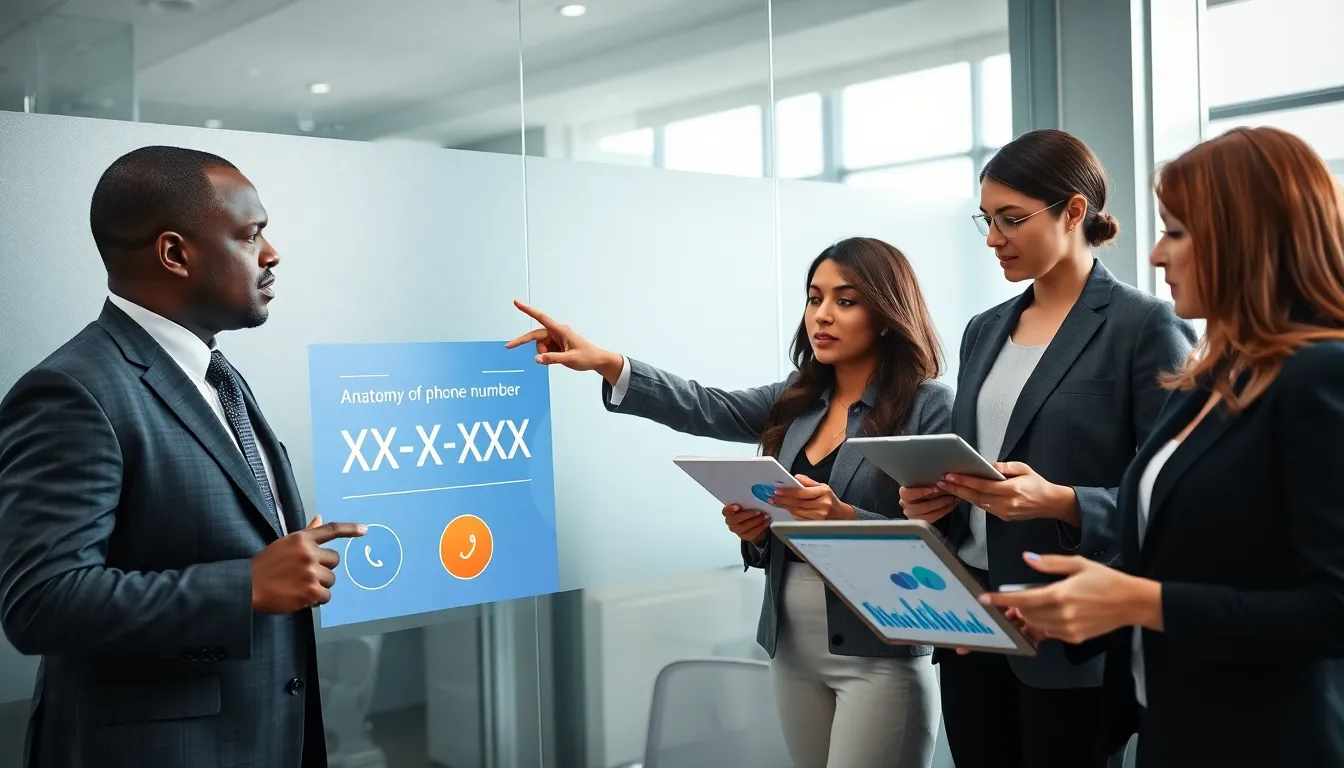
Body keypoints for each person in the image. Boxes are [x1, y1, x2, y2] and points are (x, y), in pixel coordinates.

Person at [507, 237, 951, 768]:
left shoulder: (928, 408)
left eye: (845, 301)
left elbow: (945, 547)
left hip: (880, 656)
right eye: (814, 299)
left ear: (886, 313)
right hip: (792, 651)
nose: (822, 316)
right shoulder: (799, 399)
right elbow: (704, 406)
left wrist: (844, 517)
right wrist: (607, 362)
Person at [983, 126, 1344, 766]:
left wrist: (1136, 600)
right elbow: (1181, 553)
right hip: (1170, 725)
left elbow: (1332, 608)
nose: (1154, 254)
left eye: (1176, 232)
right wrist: (1078, 603)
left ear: (1251, 239)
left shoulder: (1320, 377)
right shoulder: (1205, 382)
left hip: (1271, 738)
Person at [0, 146, 367, 768]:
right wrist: (246, 585)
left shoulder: (213, 371)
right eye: (251, 235)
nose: (272, 254)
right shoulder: (73, 390)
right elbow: (40, 603)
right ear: (175, 253)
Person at [897, 129, 1195, 768]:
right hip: (973, 622)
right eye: (987, 219)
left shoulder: (1144, 327)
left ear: (1074, 211)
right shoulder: (984, 330)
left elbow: (1174, 497)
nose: (992, 238)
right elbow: (979, 468)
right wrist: (936, 502)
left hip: (1069, 630)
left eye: (1011, 219)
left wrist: (1062, 503)